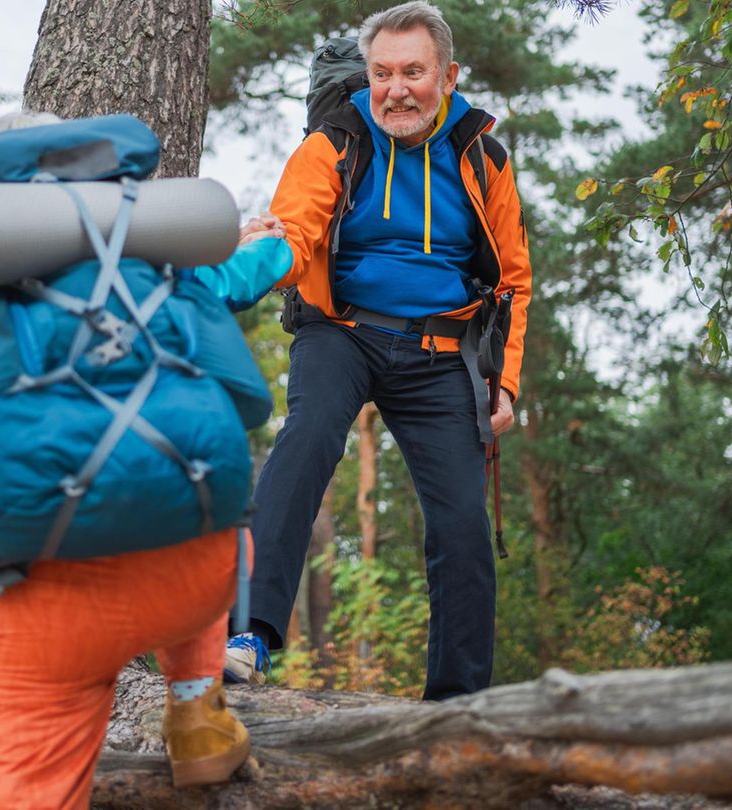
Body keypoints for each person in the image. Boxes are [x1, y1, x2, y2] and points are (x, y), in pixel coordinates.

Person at [0, 111, 291, 809]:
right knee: (193, 487)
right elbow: (242, 299)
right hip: (194, 579)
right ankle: (197, 715)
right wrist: (271, 247)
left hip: (35, 611)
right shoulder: (156, 275)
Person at [224, 1, 533, 701]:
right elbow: (295, 231)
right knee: (305, 441)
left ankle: (458, 703)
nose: (396, 90)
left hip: (441, 350)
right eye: (382, 73)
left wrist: (504, 382)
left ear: (447, 75)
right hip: (343, 332)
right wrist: (246, 271)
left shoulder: (482, 154)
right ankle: (248, 636)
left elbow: (513, 280)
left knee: (462, 520)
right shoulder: (334, 141)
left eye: (414, 73)